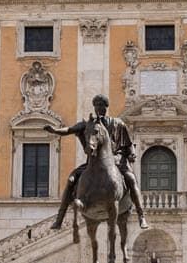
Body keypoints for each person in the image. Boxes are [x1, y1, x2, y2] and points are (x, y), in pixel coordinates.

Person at [47, 94, 149, 231]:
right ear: (94, 108)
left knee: (131, 179)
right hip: (93, 162)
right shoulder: (88, 124)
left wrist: (132, 153)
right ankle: (60, 218)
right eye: (97, 106)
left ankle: (141, 215)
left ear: (106, 108)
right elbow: (69, 130)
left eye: (102, 106)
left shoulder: (117, 123)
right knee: (71, 180)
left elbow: (129, 143)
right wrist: (55, 130)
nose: (99, 108)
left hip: (117, 161)